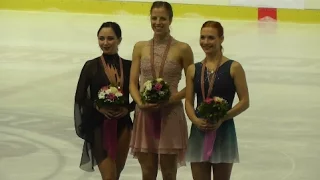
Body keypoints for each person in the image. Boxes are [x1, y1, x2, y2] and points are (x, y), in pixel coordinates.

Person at [129, 1, 194, 179]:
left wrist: (171, 99)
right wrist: (141, 103)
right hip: (145, 113)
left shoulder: (183, 49)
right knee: (148, 171)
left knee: (168, 171)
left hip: (171, 113)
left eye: (162, 18)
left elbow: (192, 85)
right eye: (154, 18)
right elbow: (132, 83)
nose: (158, 22)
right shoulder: (140, 47)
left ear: (170, 20)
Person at [184, 20, 250, 180]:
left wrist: (223, 117)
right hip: (199, 130)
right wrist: (195, 120)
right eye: (203, 37)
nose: (206, 42)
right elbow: (188, 102)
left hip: (224, 130)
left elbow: (244, 101)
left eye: (211, 38)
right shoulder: (194, 69)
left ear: (221, 39)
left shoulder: (234, 67)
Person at [74, 22, 135, 180]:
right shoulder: (91, 66)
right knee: (109, 177)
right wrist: (98, 107)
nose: (105, 43)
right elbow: (80, 97)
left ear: (119, 40)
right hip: (98, 125)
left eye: (110, 38)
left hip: (123, 126)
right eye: (101, 39)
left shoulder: (129, 66)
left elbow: (138, 95)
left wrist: (127, 109)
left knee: (115, 176)